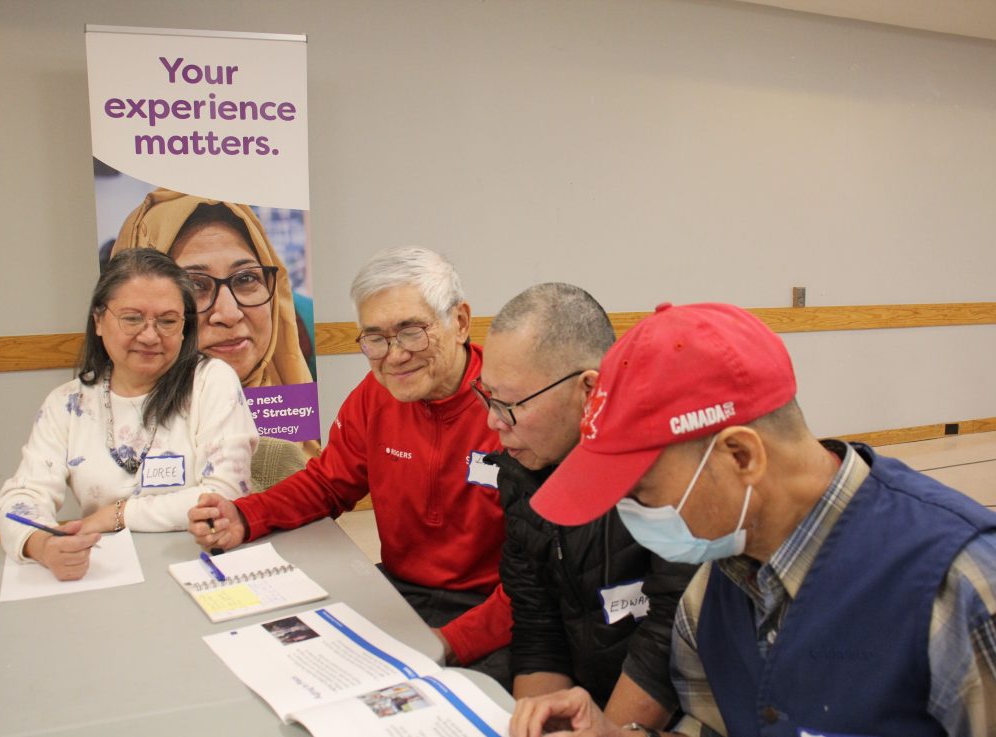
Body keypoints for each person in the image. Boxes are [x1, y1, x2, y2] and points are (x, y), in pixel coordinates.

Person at [511, 302, 996, 737]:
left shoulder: (955, 588)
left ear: (740, 456)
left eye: (639, 492)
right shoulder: (713, 591)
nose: (630, 515)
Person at [187, 247, 513, 686]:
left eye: (412, 332)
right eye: (374, 338)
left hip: (497, 607)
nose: (394, 356)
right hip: (401, 592)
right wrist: (245, 515)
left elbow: (542, 579)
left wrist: (448, 642)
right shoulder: (377, 394)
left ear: (458, 322)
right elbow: (328, 484)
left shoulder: (511, 406)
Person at [476, 284, 696, 729]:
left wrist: (605, 731)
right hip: (584, 694)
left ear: (589, 389)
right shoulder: (520, 472)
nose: (492, 420)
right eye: (486, 396)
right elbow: (537, 623)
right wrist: (540, 723)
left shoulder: (667, 478)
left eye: (510, 404)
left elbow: (668, 639)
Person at [0, 249, 258, 581]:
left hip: (198, 564)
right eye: (132, 318)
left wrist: (115, 515)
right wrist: (43, 545)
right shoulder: (66, 403)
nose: (150, 336)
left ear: (184, 328)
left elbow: (222, 497)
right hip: (105, 572)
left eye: (167, 321)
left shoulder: (211, 381)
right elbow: (20, 499)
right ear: (99, 321)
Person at [111, 188, 314, 389]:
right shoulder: (96, 416)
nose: (229, 314)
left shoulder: (297, 409)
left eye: (245, 278)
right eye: (195, 285)